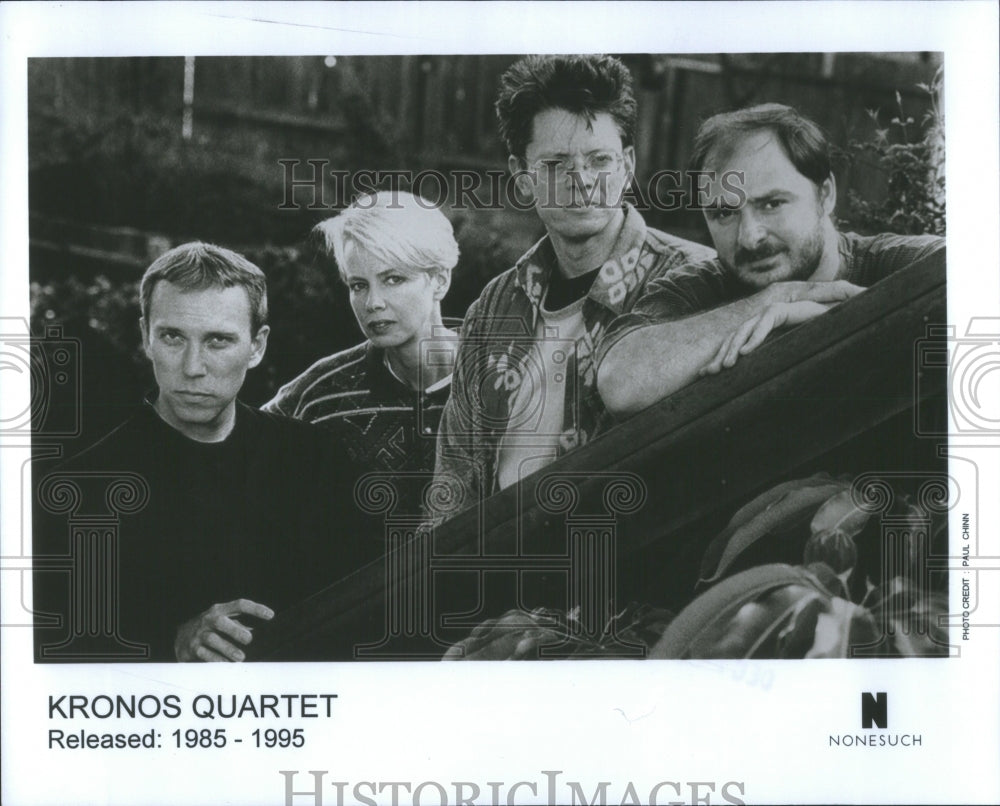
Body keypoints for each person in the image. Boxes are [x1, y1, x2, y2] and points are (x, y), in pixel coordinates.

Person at [33, 242, 369, 662]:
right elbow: (51, 662)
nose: (193, 367)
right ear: (146, 338)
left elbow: (362, 626)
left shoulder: (317, 461)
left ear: (257, 346)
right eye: (173, 337)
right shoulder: (77, 493)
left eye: (218, 341)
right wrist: (169, 644)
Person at [431, 54, 715, 517]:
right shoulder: (494, 308)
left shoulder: (696, 281)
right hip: (498, 569)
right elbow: (455, 476)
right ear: (522, 178)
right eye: (556, 164)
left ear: (627, 165)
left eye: (599, 160)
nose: (581, 181)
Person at [596, 103, 945, 416]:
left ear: (825, 195)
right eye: (723, 214)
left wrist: (838, 320)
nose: (749, 236)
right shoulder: (695, 289)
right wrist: (775, 299)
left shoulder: (899, 264)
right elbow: (621, 385)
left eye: (772, 204)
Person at [262, 191, 459, 511]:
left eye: (393, 279)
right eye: (358, 285)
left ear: (439, 280)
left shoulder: (505, 378)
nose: (373, 303)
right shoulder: (319, 394)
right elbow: (234, 456)